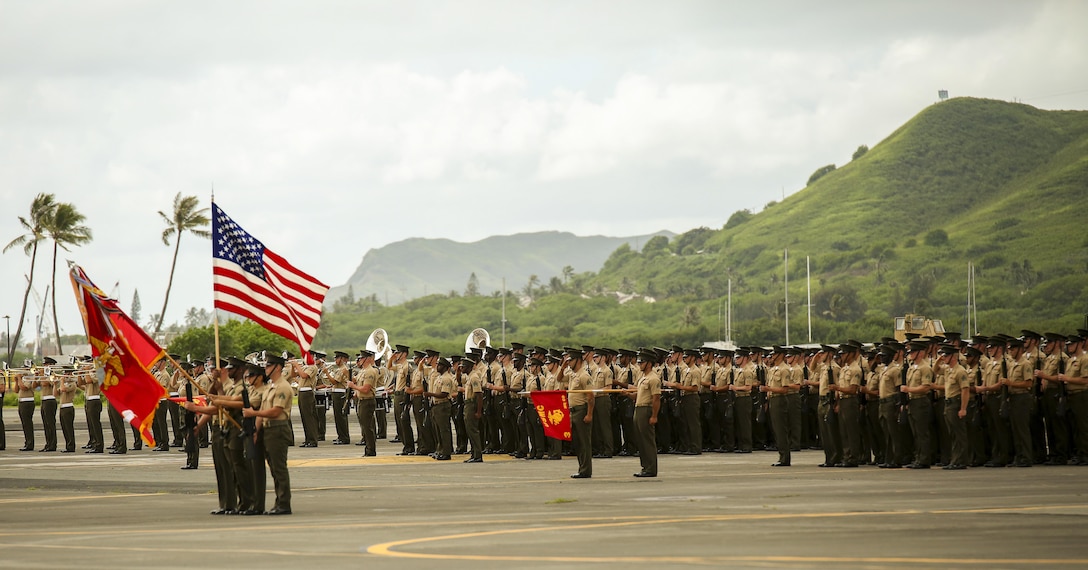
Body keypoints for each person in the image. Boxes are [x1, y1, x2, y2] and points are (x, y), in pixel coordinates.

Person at [243, 354, 293, 515]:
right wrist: (256, 430)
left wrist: (252, 414)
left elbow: (276, 411)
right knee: (273, 468)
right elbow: (261, 413)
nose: (266, 368)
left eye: (269, 365)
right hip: (268, 429)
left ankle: (284, 503)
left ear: (278, 367)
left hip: (278, 428)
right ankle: (279, 502)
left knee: (279, 468)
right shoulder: (271, 387)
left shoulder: (283, 387)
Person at [901, 341, 934, 469]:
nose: (910, 354)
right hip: (913, 401)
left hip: (921, 401)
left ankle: (924, 459)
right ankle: (918, 457)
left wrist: (909, 390)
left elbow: (926, 388)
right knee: (915, 432)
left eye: (913, 352)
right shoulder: (912, 367)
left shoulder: (925, 368)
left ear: (920, 353)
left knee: (922, 432)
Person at [562, 350, 594, 479]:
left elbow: (590, 397)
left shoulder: (584, 376)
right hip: (573, 411)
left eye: (570, 360)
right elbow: (559, 378)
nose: (568, 363)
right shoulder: (573, 375)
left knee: (584, 442)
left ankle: (586, 470)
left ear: (578, 360)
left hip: (582, 410)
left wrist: (589, 414)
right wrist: (562, 367)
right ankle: (582, 468)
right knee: (578, 442)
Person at [939, 345, 970, 469]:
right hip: (948, 404)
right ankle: (955, 459)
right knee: (952, 434)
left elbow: (965, 390)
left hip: (956, 403)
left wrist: (963, 408)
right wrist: (939, 359)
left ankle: (961, 460)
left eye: (946, 355)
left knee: (959, 434)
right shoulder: (948, 370)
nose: (944, 358)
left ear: (953, 357)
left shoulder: (960, 371)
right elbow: (935, 370)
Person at [632, 349, 661, 477]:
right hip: (638, 408)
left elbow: (656, 398)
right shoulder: (643, 377)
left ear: (649, 364)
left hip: (646, 409)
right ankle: (645, 467)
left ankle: (651, 468)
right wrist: (627, 394)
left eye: (642, 362)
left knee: (647, 441)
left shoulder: (653, 378)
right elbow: (638, 395)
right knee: (640, 440)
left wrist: (654, 416)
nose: (639, 364)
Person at [762, 348, 791, 467]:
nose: (772, 356)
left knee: (781, 430)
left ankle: (785, 458)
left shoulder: (784, 369)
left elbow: (785, 389)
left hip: (780, 400)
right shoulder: (772, 369)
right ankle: (781, 455)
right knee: (776, 430)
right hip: (772, 400)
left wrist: (768, 389)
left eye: (774, 354)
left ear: (781, 355)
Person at [347, 350, 379, 457]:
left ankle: (371, 450)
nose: (359, 360)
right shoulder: (363, 371)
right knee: (365, 427)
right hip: (362, 401)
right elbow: (356, 381)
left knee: (367, 427)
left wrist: (353, 386)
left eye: (361, 358)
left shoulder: (370, 371)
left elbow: (366, 389)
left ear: (367, 359)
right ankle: (368, 449)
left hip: (367, 401)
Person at [426, 358, 455, 460]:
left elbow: (444, 394)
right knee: (437, 430)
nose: (437, 366)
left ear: (446, 367)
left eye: (440, 365)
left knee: (444, 430)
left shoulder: (446, 378)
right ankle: (440, 450)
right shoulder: (439, 377)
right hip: (436, 405)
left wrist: (430, 394)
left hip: (443, 405)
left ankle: (446, 452)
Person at [461, 357, 484, 463]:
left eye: (463, 366)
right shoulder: (469, 377)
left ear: (469, 367)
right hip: (467, 404)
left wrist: (478, 411)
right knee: (469, 430)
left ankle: (478, 455)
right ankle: (474, 453)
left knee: (473, 431)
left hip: (472, 405)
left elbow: (479, 395)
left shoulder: (474, 377)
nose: (461, 368)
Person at [329, 351, 351, 445]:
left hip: (340, 394)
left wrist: (326, 373)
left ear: (342, 359)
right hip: (337, 393)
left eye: (337, 358)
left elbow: (334, 381)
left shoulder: (343, 369)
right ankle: (341, 436)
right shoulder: (340, 369)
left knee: (340, 416)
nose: (335, 360)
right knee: (337, 416)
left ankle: (344, 437)